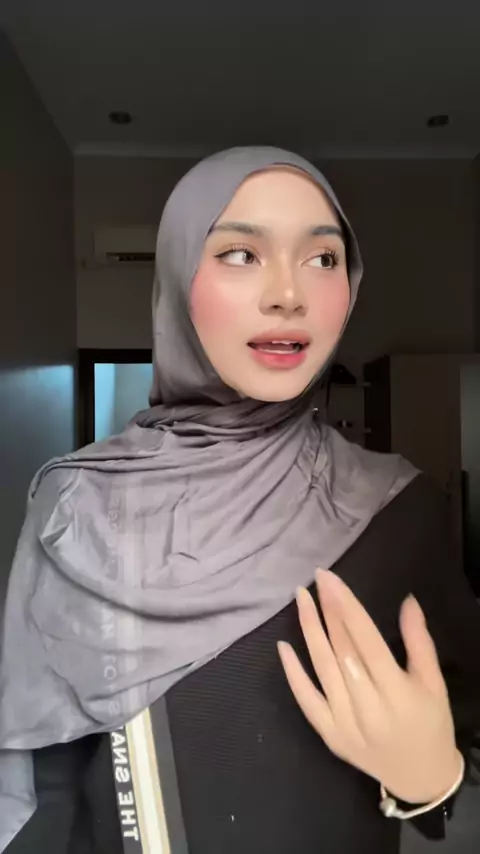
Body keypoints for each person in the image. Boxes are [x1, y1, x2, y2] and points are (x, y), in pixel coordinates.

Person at [1, 147, 480, 854]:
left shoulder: (396, 508)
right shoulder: (77, 506)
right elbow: (46, 776)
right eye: (240, 254)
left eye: (322, 259)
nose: (288, 293)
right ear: (177, 276)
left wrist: (433, 777)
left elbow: (456, 720)